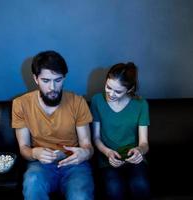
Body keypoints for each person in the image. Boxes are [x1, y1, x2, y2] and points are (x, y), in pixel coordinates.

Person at [12, 50, 94, 200]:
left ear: (64, 78)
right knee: (32, 182)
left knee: (80, 195)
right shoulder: (20, 104)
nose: (52, 88)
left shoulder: (78, 102)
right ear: (35, 79)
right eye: (45, 81)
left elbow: (87, 145)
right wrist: (34, 153)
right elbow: (24, 148)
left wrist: (86, 153)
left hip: (74, 165)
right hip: (41, 165)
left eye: (58, 80)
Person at [90, 62, 151, 200]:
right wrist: (107, 152)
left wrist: (139, 151)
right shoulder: (97, 101)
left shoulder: (141, 104)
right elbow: (96, 138)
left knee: (140, 185)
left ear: (129, 89)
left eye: (117, 91)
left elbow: (144, 143)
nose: (110, 94)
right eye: (108, 87)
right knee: (114, 188)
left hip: (133, 159)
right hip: (108, 159)